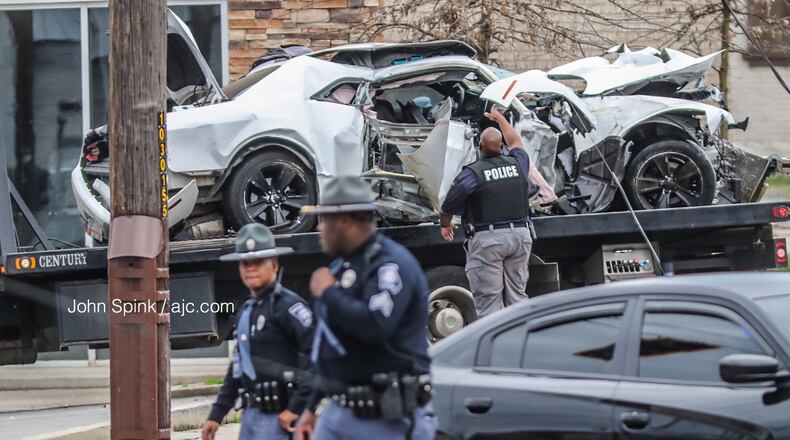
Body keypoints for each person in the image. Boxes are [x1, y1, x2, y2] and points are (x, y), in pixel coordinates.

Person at [294, 175, 436, 440]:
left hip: (386, 418)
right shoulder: (341, 266)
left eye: (324, 219)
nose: (318, 227)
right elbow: (327, 346)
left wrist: (328, 292)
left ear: (345, 220)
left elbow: (375, 326)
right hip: (339, 411)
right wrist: (311, 407)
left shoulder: (390, 264)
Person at [438, 106, 556, 319]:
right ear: (501, 147)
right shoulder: (518, 163)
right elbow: (516, 142)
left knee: (489, 303)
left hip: (489, 241)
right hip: (521, 237)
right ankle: (520, 343)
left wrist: (445, 224)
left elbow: (450, 203)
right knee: (517, 298)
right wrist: (499, 118)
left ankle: (494, 350)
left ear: (479, 147)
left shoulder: (473, 173)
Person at [201, 223, 314, 440]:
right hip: (251, 415)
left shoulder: (289, 307)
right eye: (245, 263)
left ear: (274, 265)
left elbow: (317, 357)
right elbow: (238, 367)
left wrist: (298, 408)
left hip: (282, 415)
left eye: (258, 262)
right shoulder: (247, 310)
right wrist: (216, 414)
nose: (251, 268)